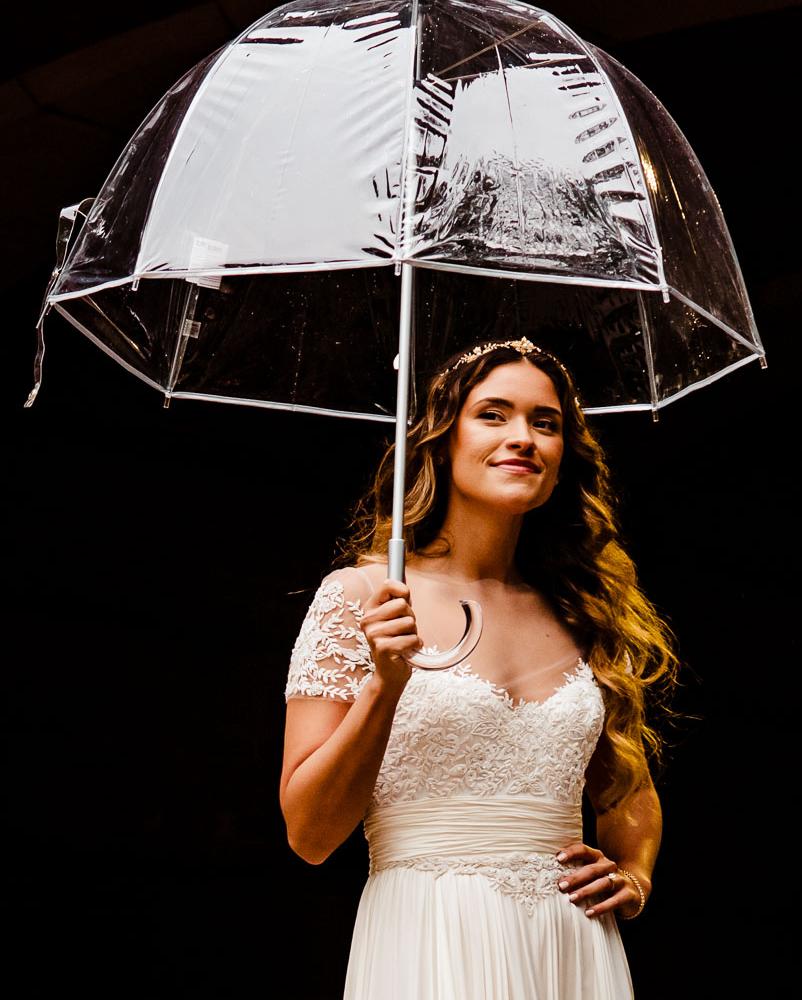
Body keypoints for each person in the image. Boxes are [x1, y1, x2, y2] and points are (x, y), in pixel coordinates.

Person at [280, 337, 676, 999]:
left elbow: (627, 791)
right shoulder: (361, 598)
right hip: (430, 937)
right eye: (493, 414)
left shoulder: (583, 611)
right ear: (440, 440)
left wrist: (634, 874)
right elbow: (310, 835)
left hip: (571, 948)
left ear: (562, 457)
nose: (522, 436)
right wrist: (385, 682)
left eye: (544, 423)